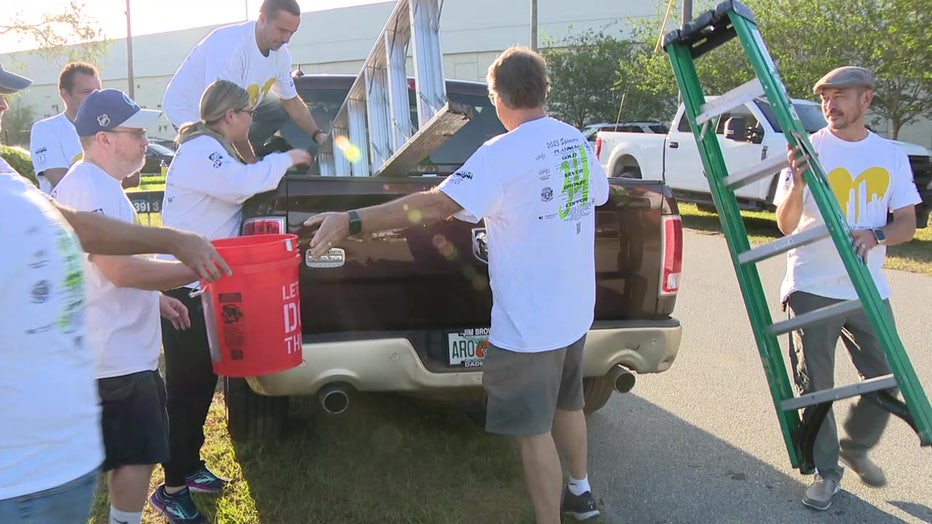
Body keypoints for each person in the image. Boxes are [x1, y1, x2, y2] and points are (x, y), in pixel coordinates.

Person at [305, 46, 608, 523]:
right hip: (573, 312)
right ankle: (582, 492)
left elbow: (435, 206)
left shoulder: (501, 155)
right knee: (568, 403)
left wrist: (352, 219)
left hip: (530, 323)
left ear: (500, 97)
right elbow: (597, 195)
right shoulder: (575, 141)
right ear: (543, 90)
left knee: (533, 431)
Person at [0, 65, 226, 524]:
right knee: (137, 452)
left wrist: (158, 297)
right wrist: (194, 266)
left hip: (116, 353)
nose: (145, 141)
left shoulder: (101, 187)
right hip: (114, 358)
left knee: (134, 450)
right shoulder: (88, 187)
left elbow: (98, 271)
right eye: (135, 132)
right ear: (104, 138)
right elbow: (119, 270)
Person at [149, 80, 310, 523]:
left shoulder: (211, 147)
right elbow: (241, 184)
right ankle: (171, 488)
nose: (251, 121)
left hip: (204, 285)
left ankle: (190, 464)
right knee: (186, 390)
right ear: (230, 117)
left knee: (203, 384)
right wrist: (287, 157)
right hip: (184, 288)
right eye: (248, 114)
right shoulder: (204, 151)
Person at [776, 66, 921, 511]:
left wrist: (875, 235)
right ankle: (826, 473)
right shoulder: (808, 149)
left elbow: (908, 225)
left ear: (867, 101)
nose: (830, 104)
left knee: (887, 371)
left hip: (866, 288)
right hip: (811, 283)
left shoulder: (891, 155)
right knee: (816, 385)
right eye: (825, 96)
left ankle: (856, 444)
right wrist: (797, 184)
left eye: (840, 95)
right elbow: (784, 225)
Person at [162, 0, 327, 163]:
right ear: (262, 19)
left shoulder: (281, 56)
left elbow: (292, 102)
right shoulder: (230, 48)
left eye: (292, 32)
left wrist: (318, 135)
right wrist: (251, 162)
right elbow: (226, 114)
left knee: (278, 107)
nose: (286, 39)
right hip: (191, 110)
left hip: (232, 108)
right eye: (282, 30)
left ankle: (242, 150)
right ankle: (235, 156)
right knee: (215, 161)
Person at [29, 62, 100, 193]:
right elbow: (63, 182)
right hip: (64, 214)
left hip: (109, 213)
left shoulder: (108, 129)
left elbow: (133, 177)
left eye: (97, 92)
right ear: (65, 94)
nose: (95, 98)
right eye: (86, 92)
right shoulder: (45, 129)